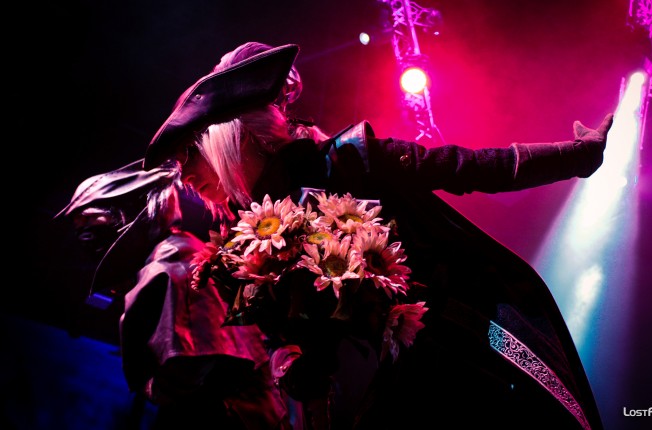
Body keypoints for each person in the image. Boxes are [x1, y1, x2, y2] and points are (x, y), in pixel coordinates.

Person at [142, 42, 613, 429]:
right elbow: (280, 337)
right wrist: (291, 360)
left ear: (228, 138)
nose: (184, 176)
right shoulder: (247, 240)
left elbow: (465, 167)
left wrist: (574, 156)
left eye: (189, 154)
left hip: (453, 362)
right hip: (367, 399)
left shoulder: (348, 161)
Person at [58, 159, 299, 429]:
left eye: (91, 220)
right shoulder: (168, 257)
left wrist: (154, 388)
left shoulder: (171, 260)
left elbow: (192, 361)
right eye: (80, 228)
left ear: (125, 212)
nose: (86, 236)